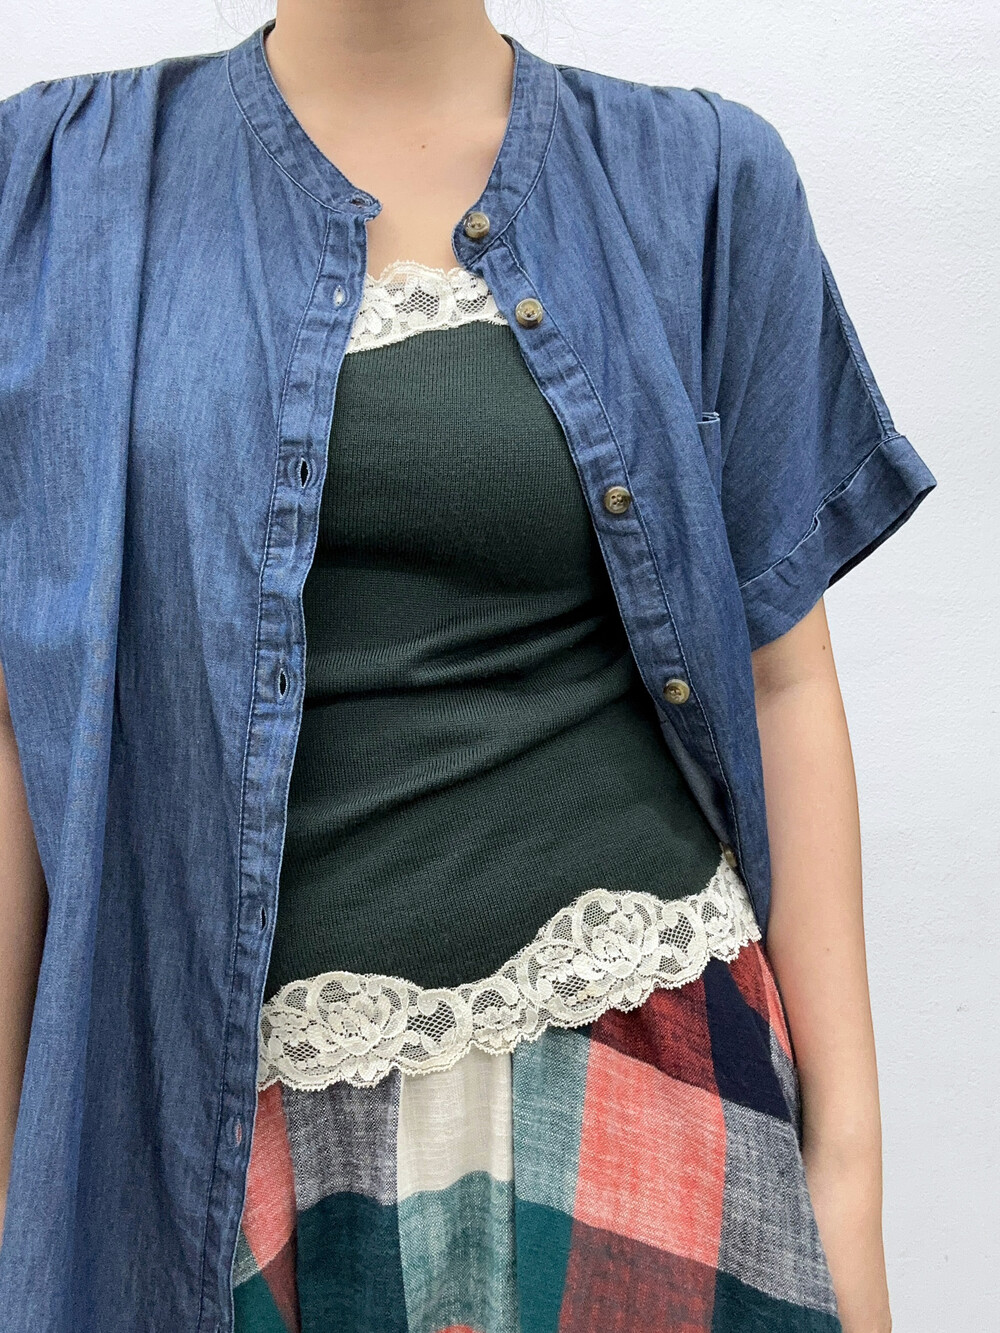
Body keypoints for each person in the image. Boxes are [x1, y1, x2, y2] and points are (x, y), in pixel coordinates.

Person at [0, 2, 935, 1330]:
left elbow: (784, 678)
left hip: (649, 1096)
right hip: (236, 1151)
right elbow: (19, 728)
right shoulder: (52, 189)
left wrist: (847, 1175)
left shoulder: (704, 180)